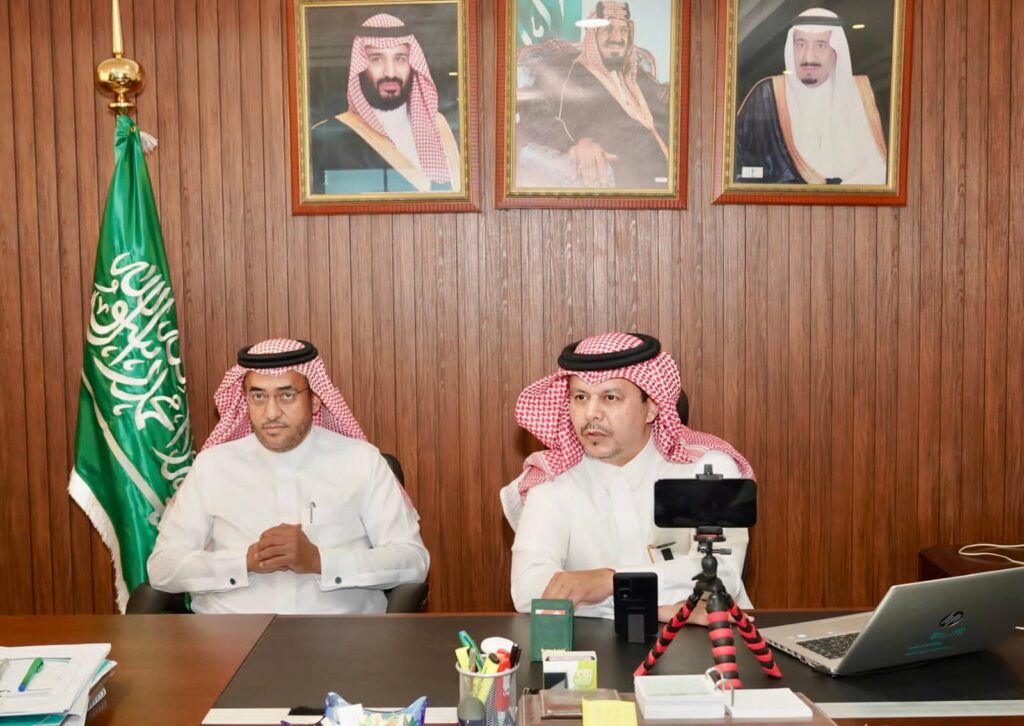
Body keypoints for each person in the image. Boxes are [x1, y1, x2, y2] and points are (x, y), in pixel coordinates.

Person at [147, 338, 429, 614]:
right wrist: (243, 562)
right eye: (258, 396)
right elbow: (162, 567)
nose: (271, 413)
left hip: (339, 636)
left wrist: (320, 561)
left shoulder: (362, 461)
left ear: (315, 400)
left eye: (287, 395)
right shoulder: (212, 466)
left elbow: (413, 560)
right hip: (229, 635)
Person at [500, 333, 754, 622]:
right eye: (580, 397)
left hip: (710, 640)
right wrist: (653, 610)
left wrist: (609, 582)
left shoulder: (707, 470)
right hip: (594, 646)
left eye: (610, 397)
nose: (591, 414)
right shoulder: (551, 478)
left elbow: (721, 576)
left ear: (652, 407)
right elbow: (529, 590)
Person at [519, 1, 669, 189]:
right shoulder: (570, 71)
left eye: (623, 30)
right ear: (593, 35)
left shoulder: (637, 74)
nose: (617, 38)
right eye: (608, 29)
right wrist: (577, 144)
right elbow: (534, 109)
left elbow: (666, 100)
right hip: (625, 176)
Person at [309, 13, 460, 195]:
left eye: (400, 58)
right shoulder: (326, 139)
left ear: (412, 65)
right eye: (377, 59)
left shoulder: (446, 130)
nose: (390, 72)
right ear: (361, 66)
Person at [733, 8, 887, 185]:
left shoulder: (864, 95)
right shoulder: (765, 96)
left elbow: (882, 168)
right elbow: (738, 168)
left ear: (836, 51)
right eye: (801, 44)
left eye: (821, 45)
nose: (809, 57)